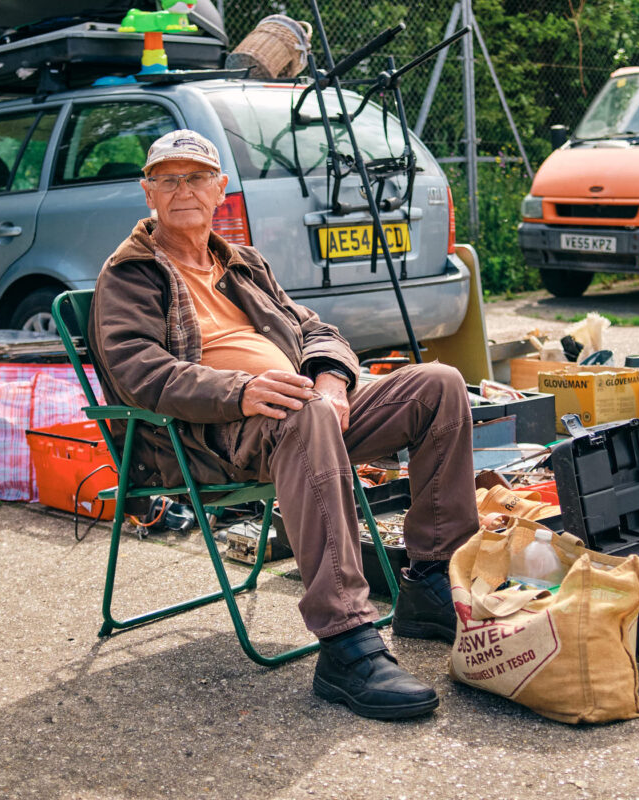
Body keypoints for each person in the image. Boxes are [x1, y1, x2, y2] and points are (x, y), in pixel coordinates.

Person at [89, 129, 479, 720]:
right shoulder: (130, 274)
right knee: (304, 414)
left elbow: (317, 330)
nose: (182, 190)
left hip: (302, 413)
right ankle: (345, 641)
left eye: (195, 177)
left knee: (439, 384)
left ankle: (429, 583)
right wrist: (241, 392)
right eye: (167, 179)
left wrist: (329, 378)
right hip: (203, 437)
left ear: (220, 189)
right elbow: (137, 374)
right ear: (148, 192)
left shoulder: (243, 264)